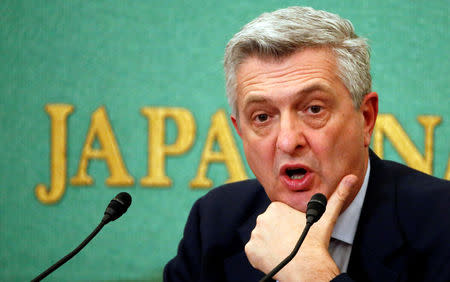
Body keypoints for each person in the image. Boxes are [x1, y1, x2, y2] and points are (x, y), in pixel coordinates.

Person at [164, 6, 450, 282]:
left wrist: (312, 274)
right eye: (262, 116)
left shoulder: (441, 221)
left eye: (314, 109)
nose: (288, 142)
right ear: (240, 132)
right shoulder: (214, 223)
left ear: (365, 118)